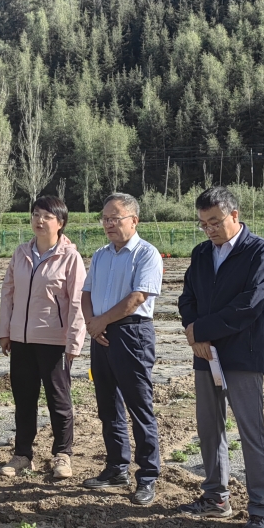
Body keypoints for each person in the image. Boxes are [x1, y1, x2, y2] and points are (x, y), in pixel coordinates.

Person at [177, 186, 264, 528]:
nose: (209, 229)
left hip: (241, 355)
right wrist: (194, 332)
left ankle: (260, 508)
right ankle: (215, 498)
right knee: (209, 428)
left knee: (251, 432)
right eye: (203, 224)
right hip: (205, 354)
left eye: (215, 222)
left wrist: (202, 330)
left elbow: (251, 303)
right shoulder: (202, 253)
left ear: (234, 215)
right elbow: (187, 297)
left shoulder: (259, 251)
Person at [80, 193, 163, 505]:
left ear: (134, 220)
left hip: (131, 333)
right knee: (108, 405)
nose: (108, 224)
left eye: (115, 218)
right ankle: (116, 467)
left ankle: (148, 476)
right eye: (105, 219)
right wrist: (92, 324)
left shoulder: (146, 254)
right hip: (100, 335)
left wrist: (101, 322)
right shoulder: (101, 255)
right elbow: (86, 293)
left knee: (139, 406)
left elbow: (137, 298)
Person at [0, 196, 86, 479]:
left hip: (54, 341)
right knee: (24, 400)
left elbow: (77, 302)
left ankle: (62, 454)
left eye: (47, 216)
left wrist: (74, 341)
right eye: (36, 214)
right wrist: (5, 331)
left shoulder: (70, 257)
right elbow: (8, 293)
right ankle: (22, 455)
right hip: (21, 340)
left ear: (60, 223)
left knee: (58, 400)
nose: (39, 220)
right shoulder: (21, 253)